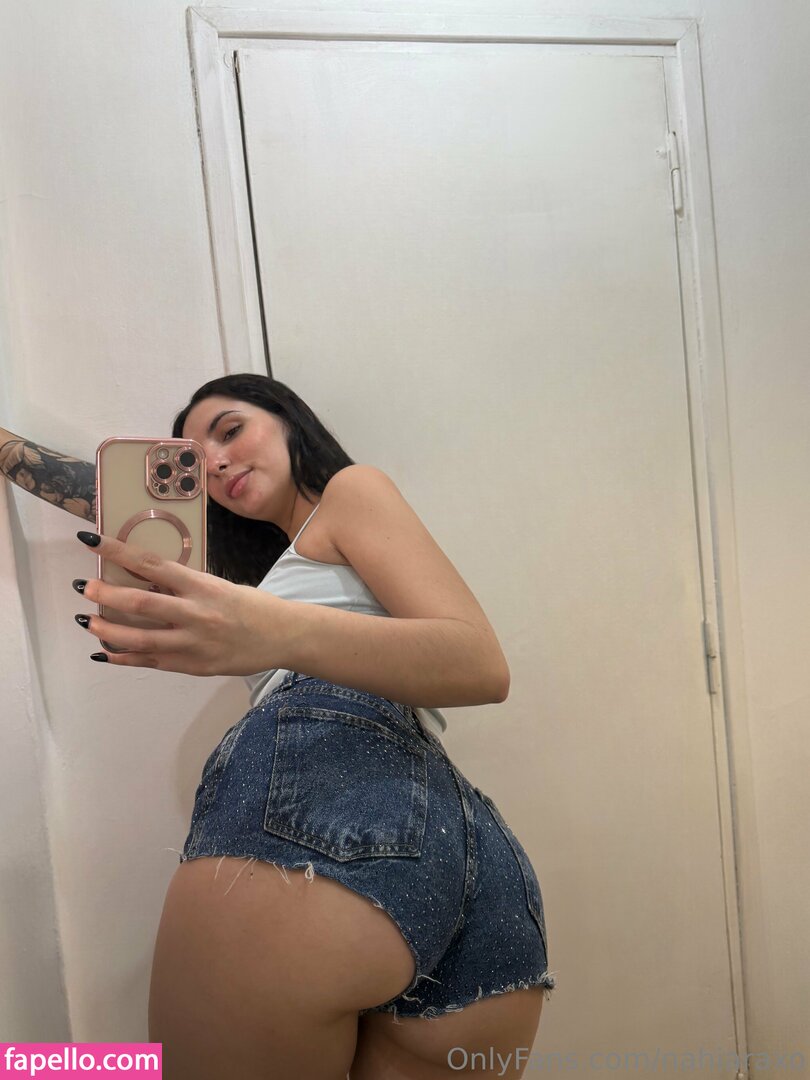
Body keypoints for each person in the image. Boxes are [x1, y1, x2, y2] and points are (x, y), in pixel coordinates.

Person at [1, 372, 555, 1079]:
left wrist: (270, 632)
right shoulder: (266, 576)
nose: (216, 461)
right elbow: (93, 489)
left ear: (290, 420)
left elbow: (481, 664)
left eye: (230, 430)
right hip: (476, 867)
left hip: (321, 792)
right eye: (195, 459)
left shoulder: (351, 493)